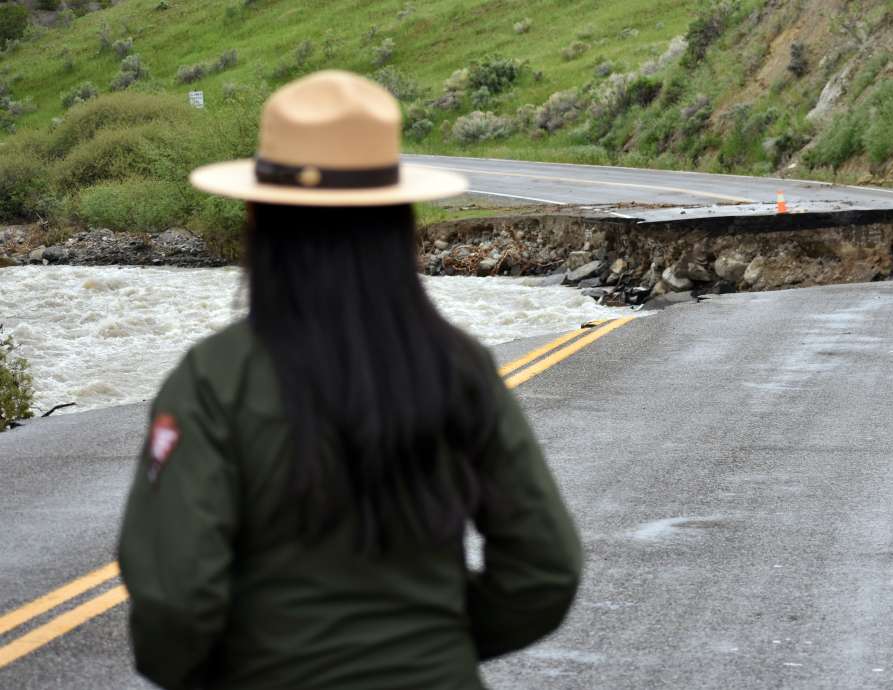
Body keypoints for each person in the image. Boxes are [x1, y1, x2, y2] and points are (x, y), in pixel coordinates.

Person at [117, 70, 582, 690]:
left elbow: (175, 599)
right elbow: (546, 570)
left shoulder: (213, 379)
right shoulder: (459, 366)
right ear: (399, 219)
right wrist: (432, 639)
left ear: (258, 216)